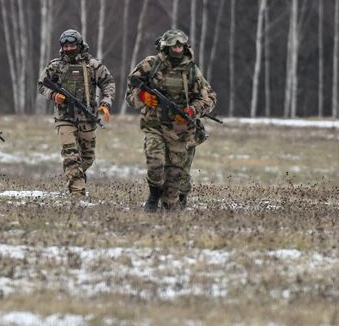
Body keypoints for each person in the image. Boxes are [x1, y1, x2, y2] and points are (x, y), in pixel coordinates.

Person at [126, 28, 217, 211]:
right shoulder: (151, 64)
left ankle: (172, 204)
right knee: (155, 161)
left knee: (175, 178)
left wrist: (192, 110)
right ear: (166, 47)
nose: (177, 49)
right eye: (174, 46)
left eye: (181, 46)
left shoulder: (191, 71)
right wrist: (143, 97)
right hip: (154, 125)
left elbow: (209, 98)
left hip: (181, 131)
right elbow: (130, 93)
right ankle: (153, 196)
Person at [36, 29, 114, 196]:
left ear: (79, 45)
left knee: (87, 157)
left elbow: (108, 83)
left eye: (72, 45)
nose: (69, 49)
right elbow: (41, 85)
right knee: (71, 156)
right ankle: (77, 194)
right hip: (64, 118)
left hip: (87, 117)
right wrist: (53, 95)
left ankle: (77, 174)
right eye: (66, 46)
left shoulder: (93, 65)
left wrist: (105, 103)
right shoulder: (55, 66)